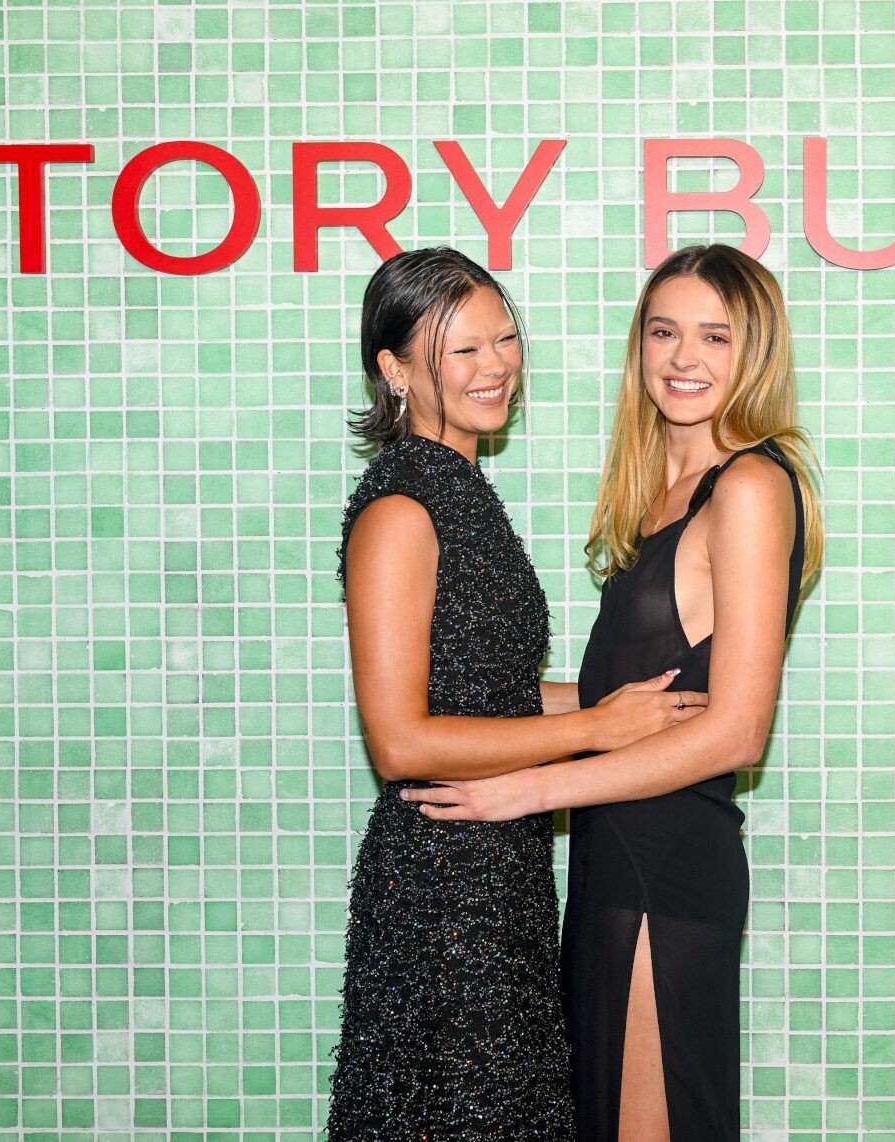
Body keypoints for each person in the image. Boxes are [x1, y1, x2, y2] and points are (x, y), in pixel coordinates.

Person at [400, 244, 824, 1141]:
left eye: (715, 336)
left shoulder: (749, 485)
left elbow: (736, 731)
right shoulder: (657, 490)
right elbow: (615, 702)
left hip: (667, 865)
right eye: (664, 332)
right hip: (609, 857)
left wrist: (526, 790)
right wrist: (462, 715)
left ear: (756, 352)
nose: (684, 357)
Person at [324, 246, 709, 1139]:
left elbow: (485, 694)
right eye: (462, 350)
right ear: (394, 370)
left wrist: (625, 700)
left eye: (503, 339)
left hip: (502, 873)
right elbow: (402, 742)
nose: (494, 365)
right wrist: (599, 726)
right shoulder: (400, 511)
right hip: (440, 888)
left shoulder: (461, 491)